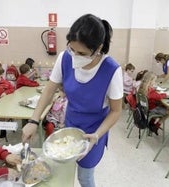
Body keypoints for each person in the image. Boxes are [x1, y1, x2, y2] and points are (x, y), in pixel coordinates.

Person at [22, 14, 123, 187]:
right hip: (71, 124)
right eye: (72, 49)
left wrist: (97, 136)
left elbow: (116, 111)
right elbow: (48, 91)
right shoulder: (64, 58)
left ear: (98, 48)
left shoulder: (112, 70)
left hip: (94, 130)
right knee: (65, 171)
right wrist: (33, 120)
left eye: (82, 53)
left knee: (85, 176)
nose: (75, 56)